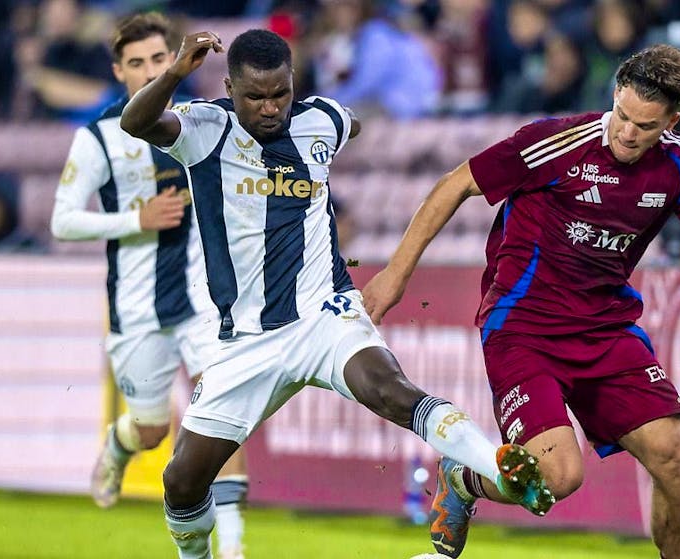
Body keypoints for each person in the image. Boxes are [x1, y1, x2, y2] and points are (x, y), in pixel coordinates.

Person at [363, 44, 680, 559]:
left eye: (644, 126)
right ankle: (464, 477)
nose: (626, 132)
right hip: (524, 329)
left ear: (671, 118)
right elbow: (455, 184)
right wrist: (395, 276)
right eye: (621, 115)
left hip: (606, 330)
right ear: (615, 96)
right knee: (557, 478)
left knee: (674, 457)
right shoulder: (554, 143)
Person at [119, 28, 554, 559]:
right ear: (229, 87)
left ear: (293, 83)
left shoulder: (322, 119)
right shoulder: (205, 128)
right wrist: (172, 74)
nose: (270, 107)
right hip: (248, 340)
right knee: (182, 482)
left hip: (326, 312)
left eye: (280, 93)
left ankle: (500, 467)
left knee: (390, 388)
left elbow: (353, 122)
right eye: (254, 96)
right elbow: (135, 122)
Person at [49, 13, 249, 559]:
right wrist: (134, 220)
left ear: (176, 60)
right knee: (152, 430)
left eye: (159, 59)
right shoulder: (97, 139)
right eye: (136, 63)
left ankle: (232, 548)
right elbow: (62, 221)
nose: (149, 71)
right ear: (119, 71)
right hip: (137, 307)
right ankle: (119, 443)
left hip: (205, 301)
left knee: (222, 411)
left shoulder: (199, 122)